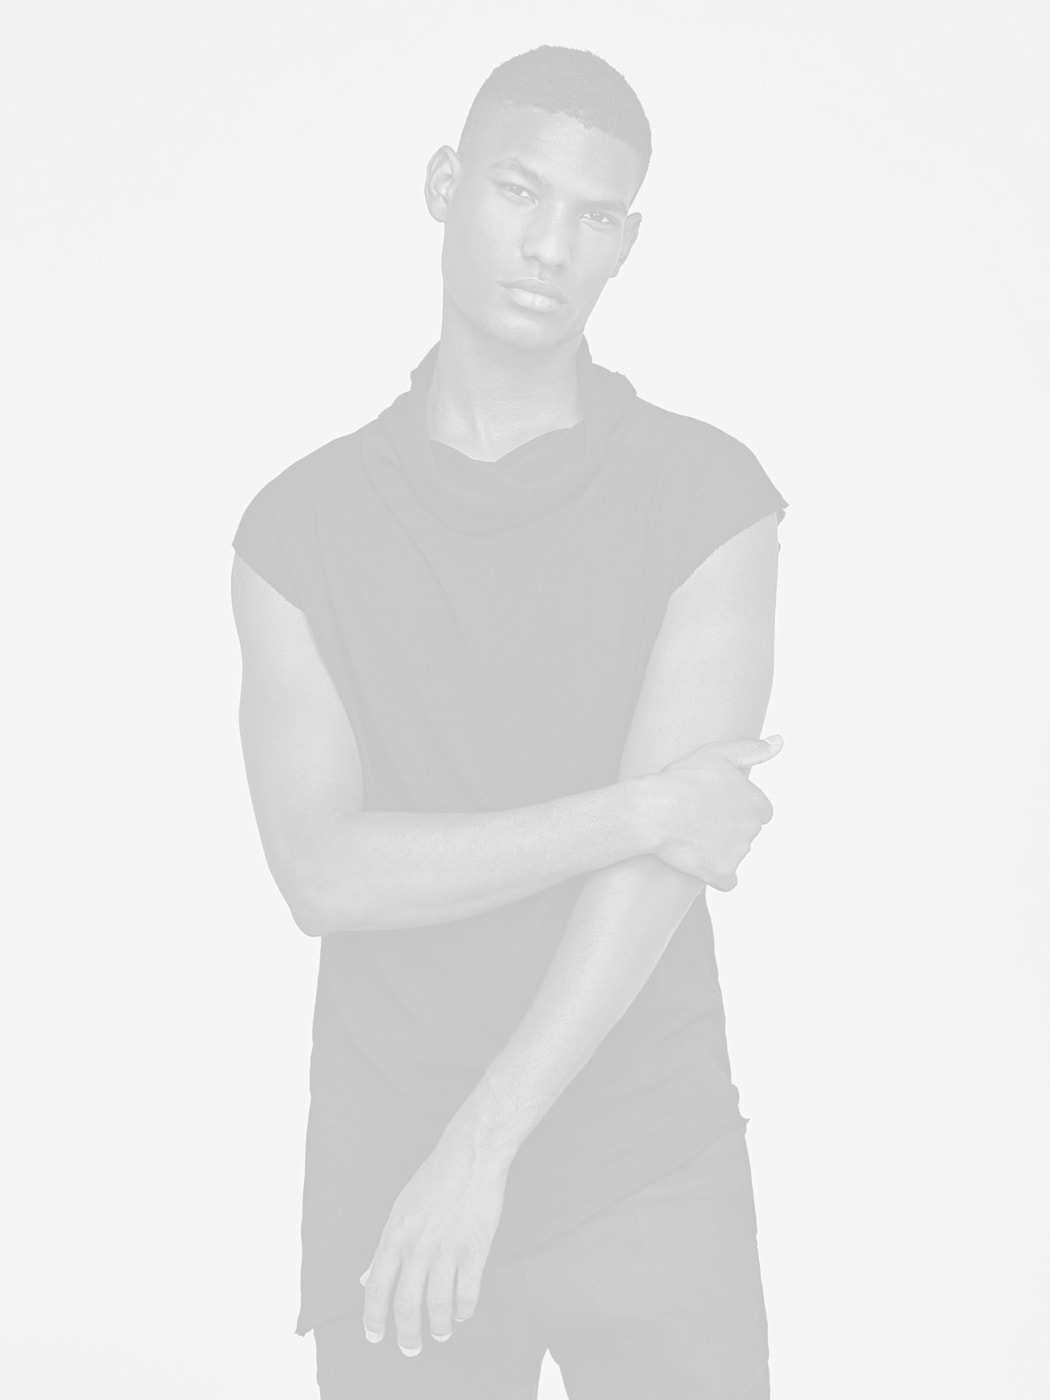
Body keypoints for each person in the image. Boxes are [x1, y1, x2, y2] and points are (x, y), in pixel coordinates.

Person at [232, 43, 787, 1400]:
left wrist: (480, 1149)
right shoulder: (299, 532)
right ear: (446, 185)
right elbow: (325, 875)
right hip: (389, 1168)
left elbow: (657, 882)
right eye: (518, 192)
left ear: (626, 243)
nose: (548, 246)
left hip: (643, 1161)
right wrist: (640, 807)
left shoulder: (707, 499)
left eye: (594, 215)